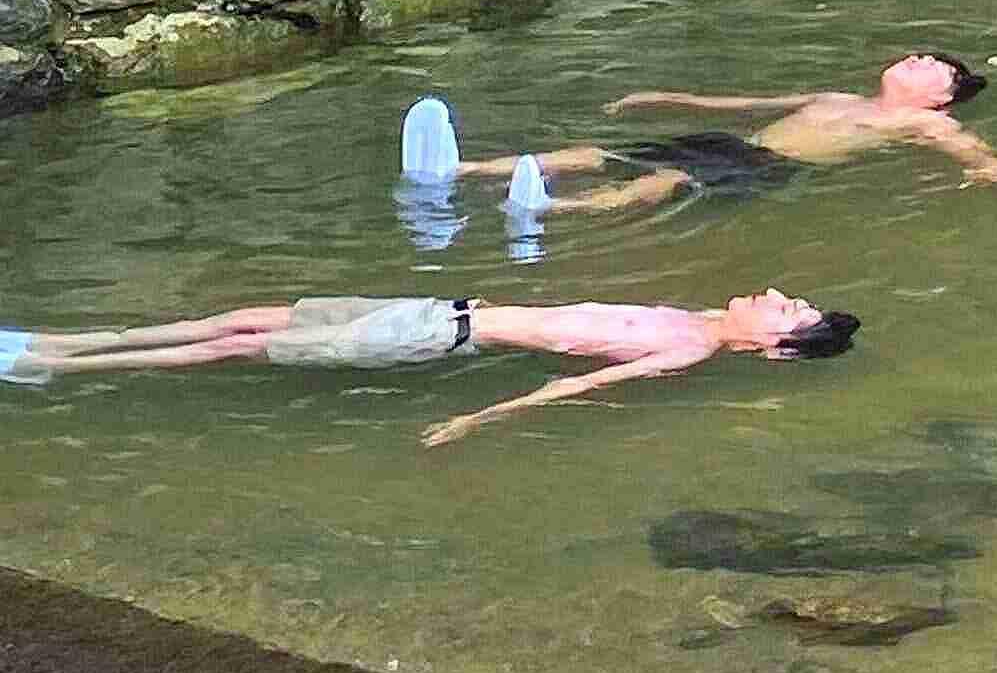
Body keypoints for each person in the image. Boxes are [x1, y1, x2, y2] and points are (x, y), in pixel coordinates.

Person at [0, 289, 859, 447]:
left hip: (436, 338)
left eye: (789, 311)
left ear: (775, 349)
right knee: (242, 316)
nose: (777, 295)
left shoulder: (687, 348)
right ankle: (65, 340)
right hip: (441, 307)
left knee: (236, 346)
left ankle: (49, 368)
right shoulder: (695, 317)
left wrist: (474, 419)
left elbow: (575, 383)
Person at [441, 52, 997, 213]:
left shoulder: (924, 121)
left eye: (933, 65)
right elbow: (743, 104)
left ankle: (551, 209)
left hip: (773, 168)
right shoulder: (837, 98)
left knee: (664, 180)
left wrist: (983, 174)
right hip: (737, 146)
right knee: (599, 153)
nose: (917, 58)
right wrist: (664, 98)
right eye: (918, 54)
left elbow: (974, 153)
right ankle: (465, 169)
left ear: (942, 96)